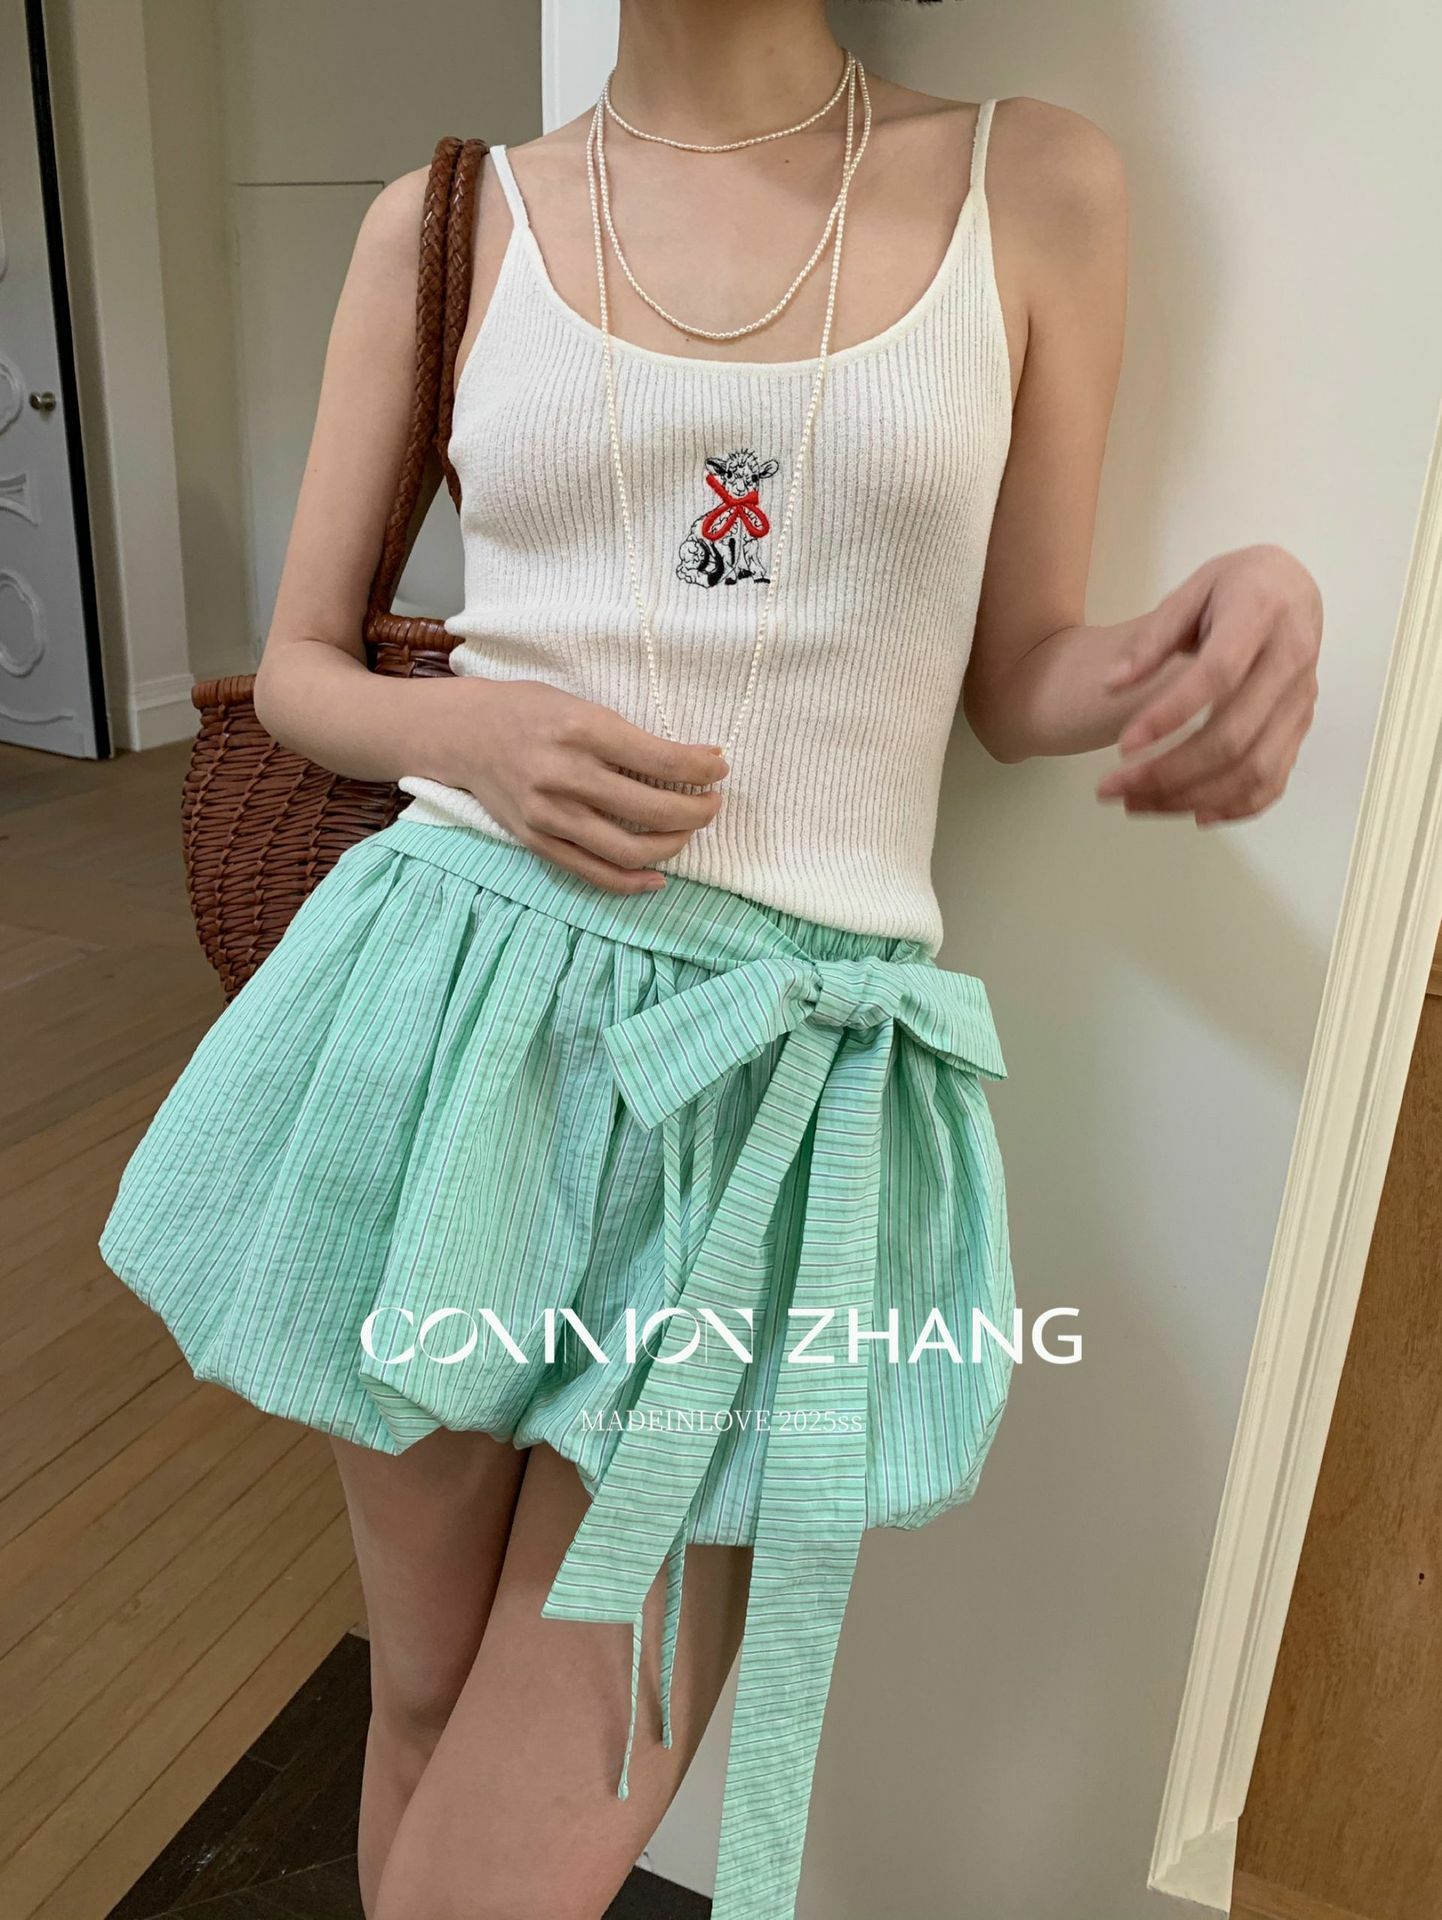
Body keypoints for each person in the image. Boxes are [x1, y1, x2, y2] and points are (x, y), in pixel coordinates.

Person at [99, 4, 1323, 1918]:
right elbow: (304, 668)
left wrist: (1230, 610)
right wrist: (477, 732)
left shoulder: (1032, 185)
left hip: (773, 1108)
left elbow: (1017, 675)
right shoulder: (446, 221)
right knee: (415, 1700)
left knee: (526, 1821)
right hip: (456, 1020)